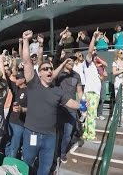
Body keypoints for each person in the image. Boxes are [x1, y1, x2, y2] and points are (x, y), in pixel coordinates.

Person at [21, 30, 80, 175]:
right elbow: (27, 61)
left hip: (49, 138)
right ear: (39, 72)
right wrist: (26, 41)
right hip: (32, 134)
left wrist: (84, 105)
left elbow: (71, 103)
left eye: (50, 69)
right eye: (45, 68)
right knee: (26, 165)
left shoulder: (57, 90)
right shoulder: (33, 83)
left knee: (45, 168)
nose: (48, 70)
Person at [53, 35, 83, 163]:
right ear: (64, 61)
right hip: (58, 108)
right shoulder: (58, 72)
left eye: (73, 60)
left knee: (68, 133)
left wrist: (81, 103)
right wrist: (61, 43)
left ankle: (63, 152)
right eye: (69, 60)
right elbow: (56, 56)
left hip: (71, 109)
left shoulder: (77, 75)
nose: (71, 62)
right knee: (55, 133)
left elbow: (80, 92)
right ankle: (54, 154)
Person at [82, 30, 103, 141]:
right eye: (93, 53)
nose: (94, 54)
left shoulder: (94, 66)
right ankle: (91, 134)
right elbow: (90, 51)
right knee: (92, 115)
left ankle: (86, 133)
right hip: (91, 92)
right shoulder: (87, 63)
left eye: (96, 53)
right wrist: (94, 38)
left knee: (90, 114)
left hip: (94, 92)